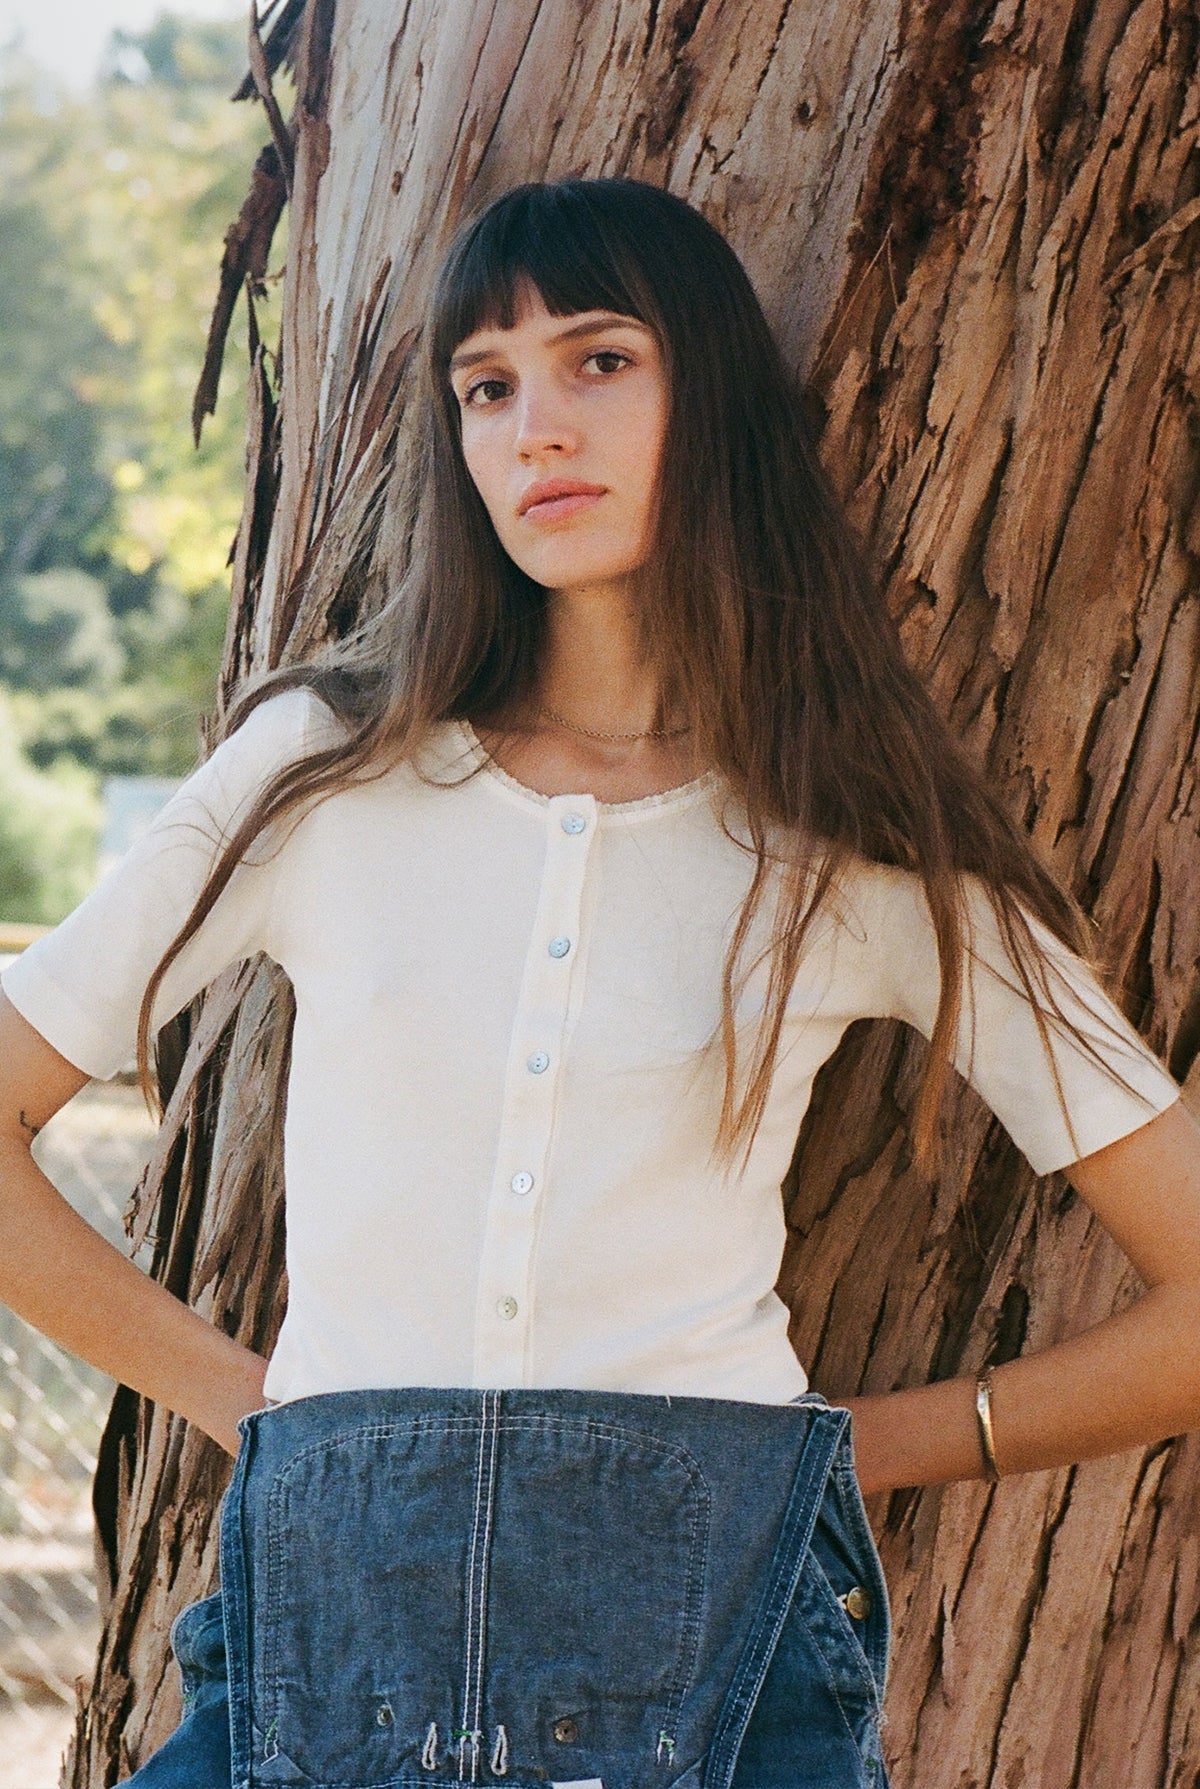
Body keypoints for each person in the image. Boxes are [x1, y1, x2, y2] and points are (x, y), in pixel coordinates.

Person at [0, 178, 1194, 1789]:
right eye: (486, 386)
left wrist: (877, 1445)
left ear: (709, 391)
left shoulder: (858, 839)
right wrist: (263, 1403)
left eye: (598, 361)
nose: (534, 427)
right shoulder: (323, 774)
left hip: (719, 1648)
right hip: (332, 1629)